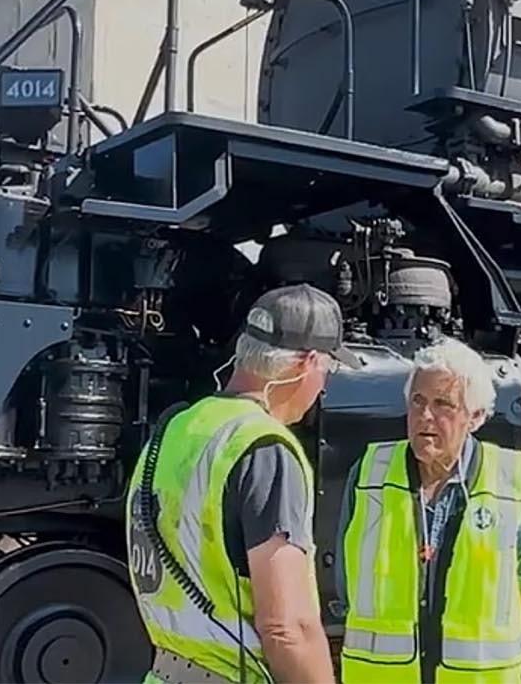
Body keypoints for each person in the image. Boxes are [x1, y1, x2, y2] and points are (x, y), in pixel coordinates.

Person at [125, 283, 361, 684]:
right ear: (306, 363)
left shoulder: (176, 429)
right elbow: (287, 628)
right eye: (328, 369)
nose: (324, 386)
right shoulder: (263, 447)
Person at [334, 335, 521, 684]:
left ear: (476, 416)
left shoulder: (514, 479)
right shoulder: (368, 472)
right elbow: (347, 581)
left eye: (443, 404)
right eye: (418, 401)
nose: (425, 415)